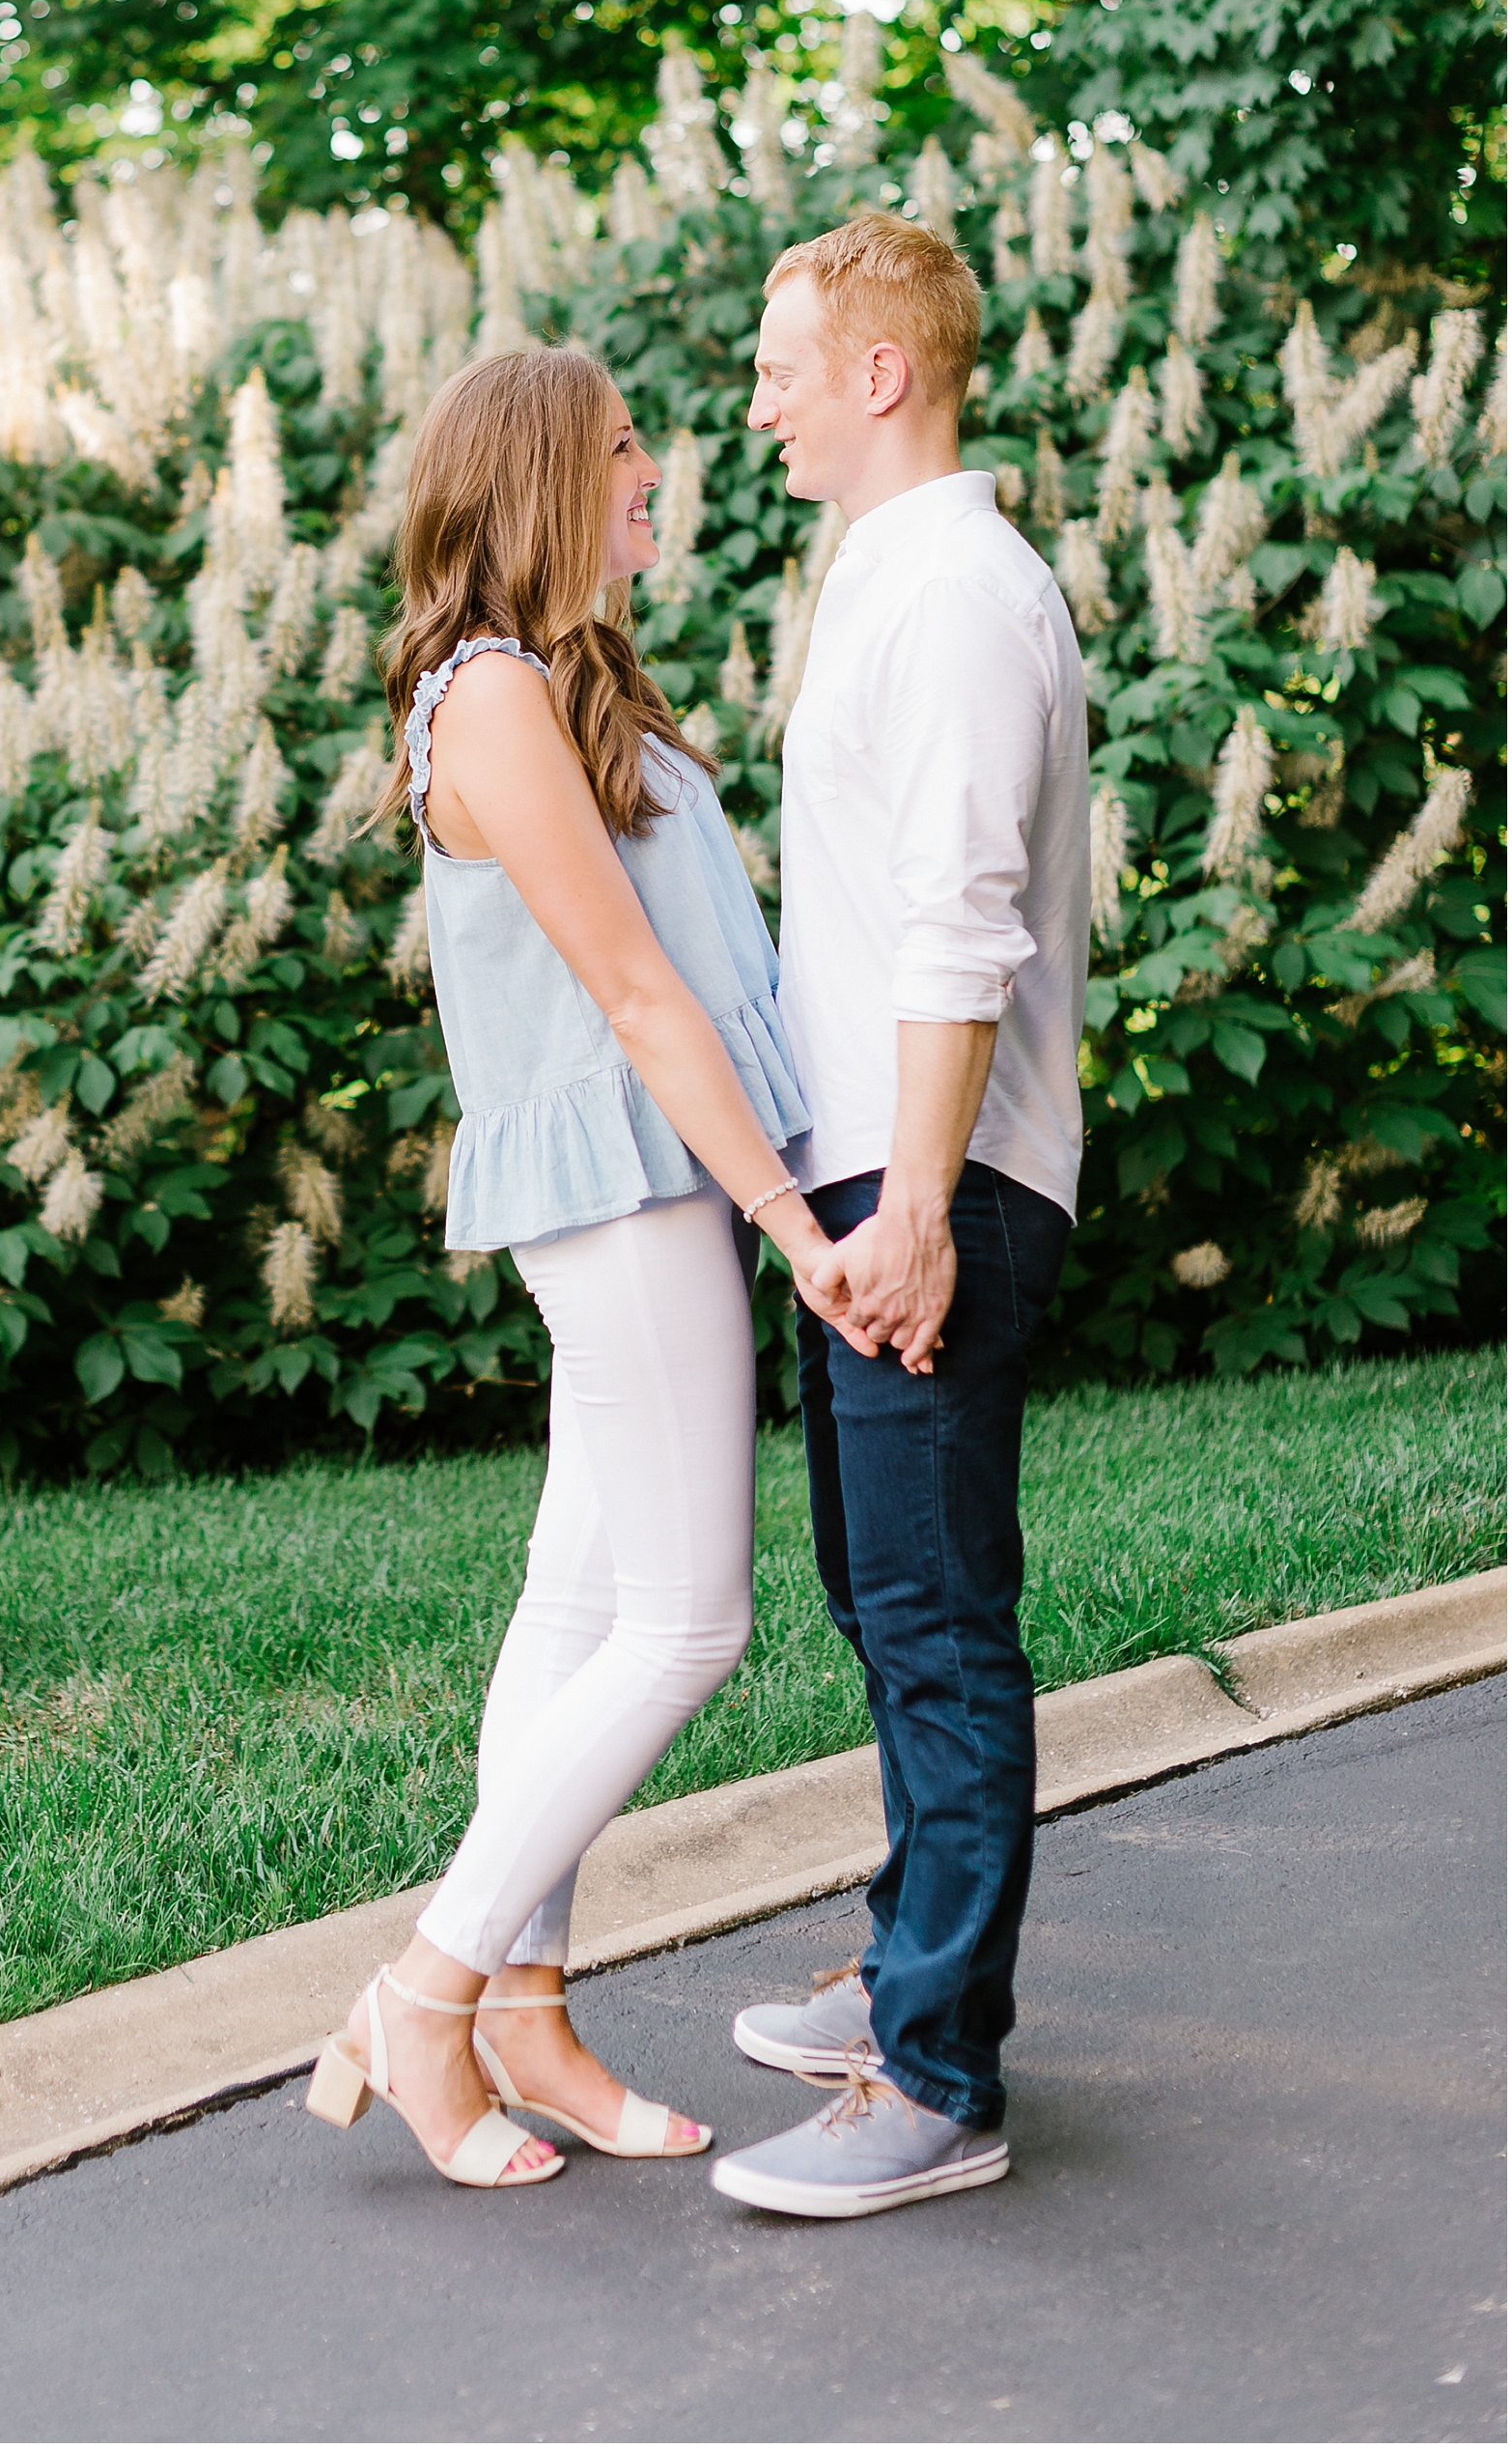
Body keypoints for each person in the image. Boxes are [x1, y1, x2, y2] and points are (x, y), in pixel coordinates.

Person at [306, 344, 854, 2194]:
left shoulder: (568, 687)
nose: (656, 472)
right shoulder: (484, 707)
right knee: (691, 1623)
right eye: (624, 449)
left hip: (641, 1191)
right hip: (625, 1201)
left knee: (575, 1596)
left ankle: (521, 2009)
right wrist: (792, 1220)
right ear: (544, 478)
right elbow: (635, 994)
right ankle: (427, 1983)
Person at [710, 211, 1089, 2224]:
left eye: (784, 360)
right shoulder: (890, 572)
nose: (757, 397)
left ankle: (937, 2073)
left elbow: (962, 913)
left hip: (926, 1178)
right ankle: (900, 1975)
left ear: (879, 371)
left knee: (938, 1625)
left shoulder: (952, 585)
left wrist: (920, 1204)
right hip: (870, 1170)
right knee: (886, 1598)